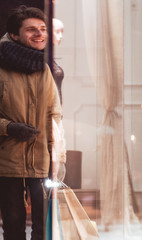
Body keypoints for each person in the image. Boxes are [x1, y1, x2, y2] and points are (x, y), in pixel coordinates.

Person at [0, 5, 65, 240]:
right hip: (7, 164)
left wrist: (60, 158)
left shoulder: (44, 68)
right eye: (31, 30)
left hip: (42, 163)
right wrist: (9, 128)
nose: (39, 34)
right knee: (14, 228)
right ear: (15, 35)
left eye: (43, 29)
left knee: (45, 229)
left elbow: (54, 116)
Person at [52, 18, 64, 104]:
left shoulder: (49, 55)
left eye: (62, 32)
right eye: (57, 31)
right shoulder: (41, 57)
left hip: (56, 111)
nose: (61, 36)